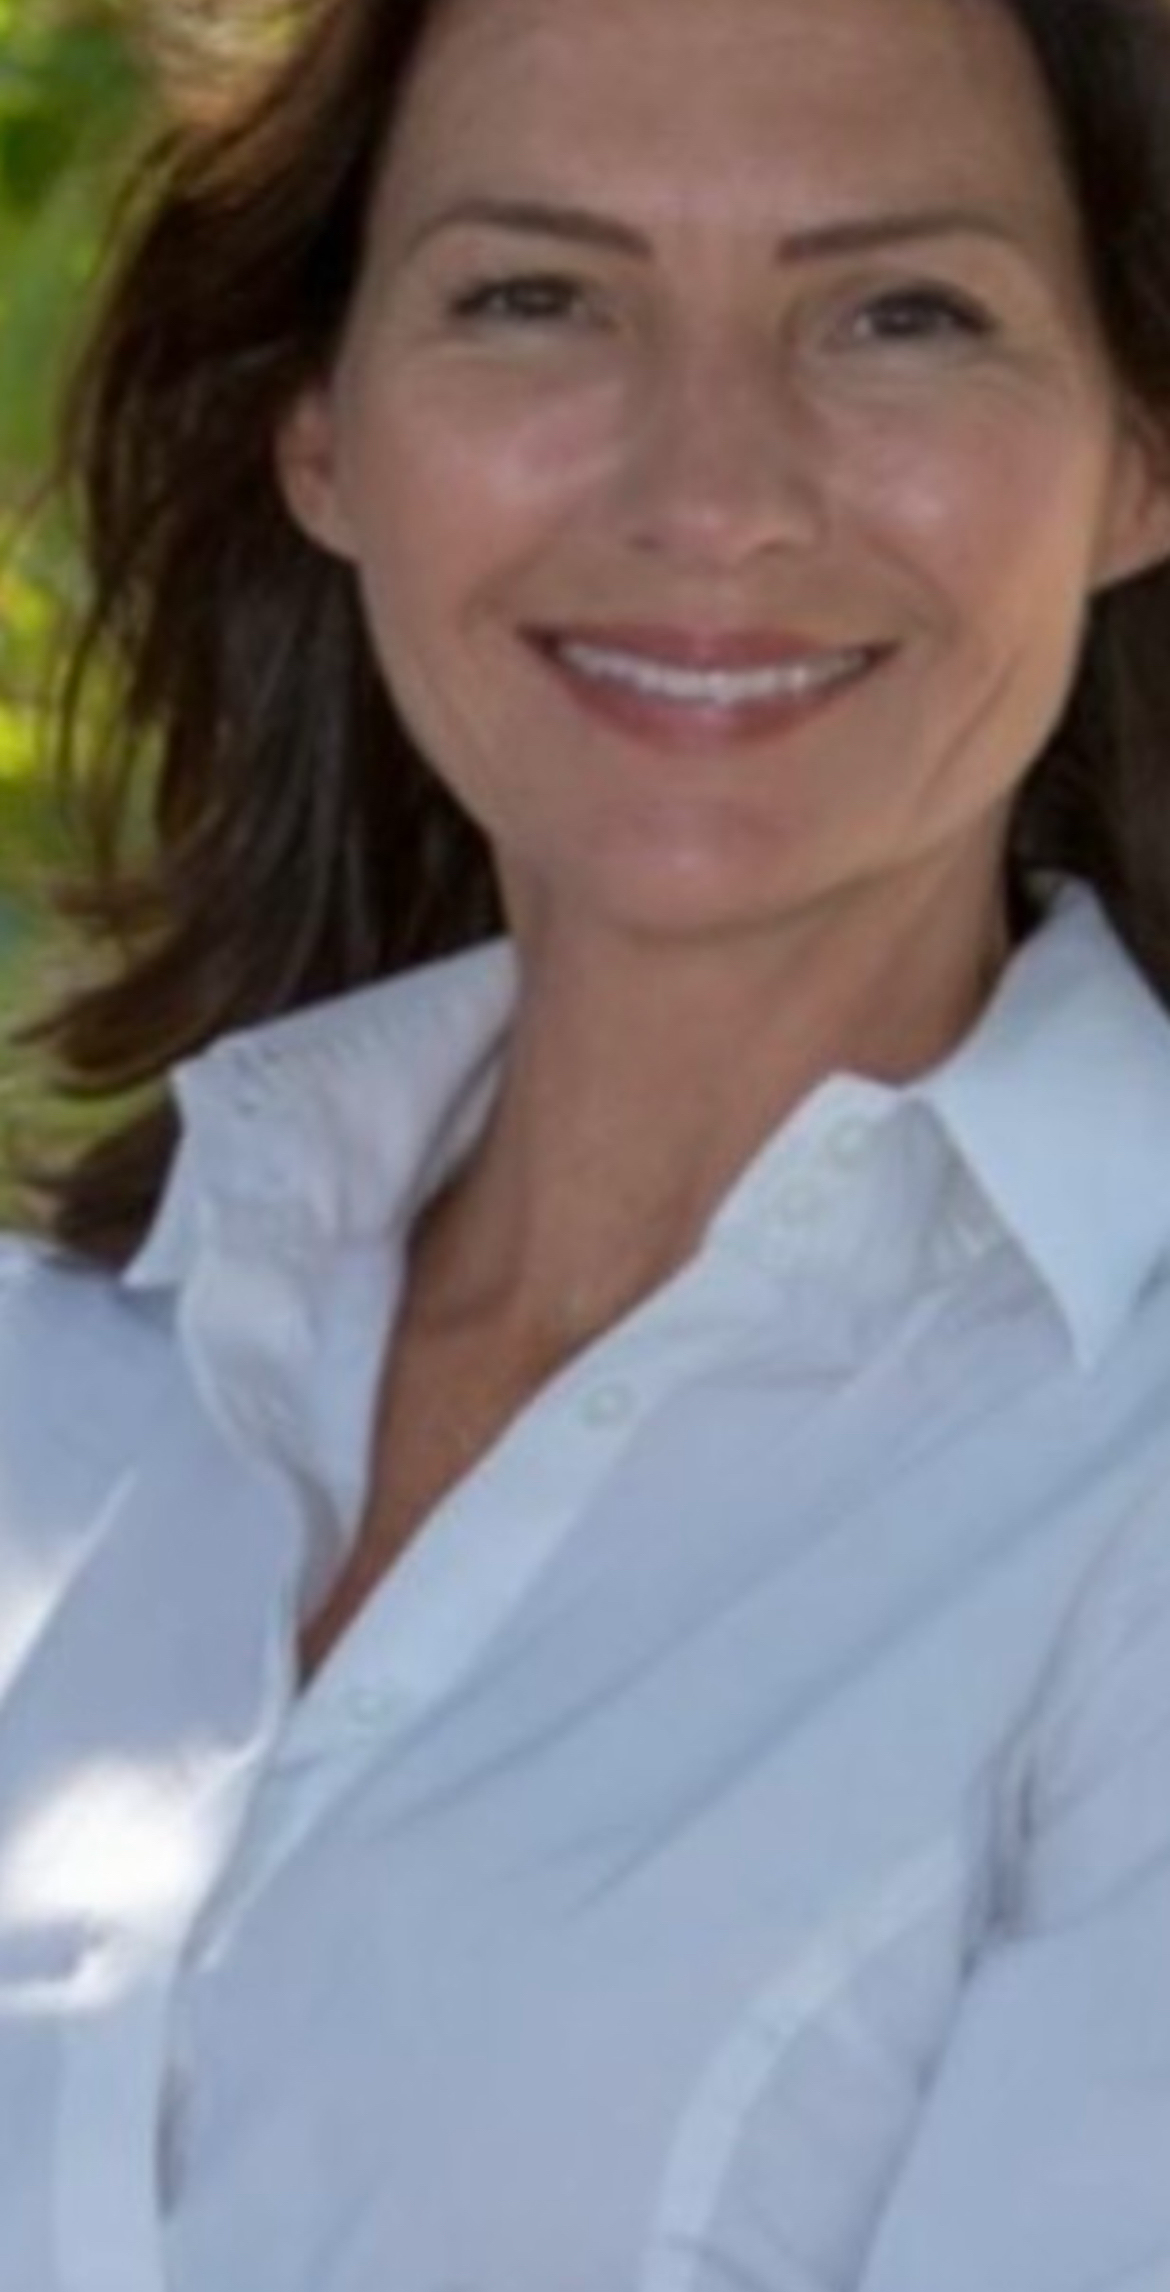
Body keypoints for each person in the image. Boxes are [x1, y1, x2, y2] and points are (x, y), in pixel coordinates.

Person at [3, 0, 1170, 2283]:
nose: (709, 489)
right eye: (535, 296)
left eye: (902, 313)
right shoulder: (47, 1405)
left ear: (1139, 453)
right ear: (320, 427)